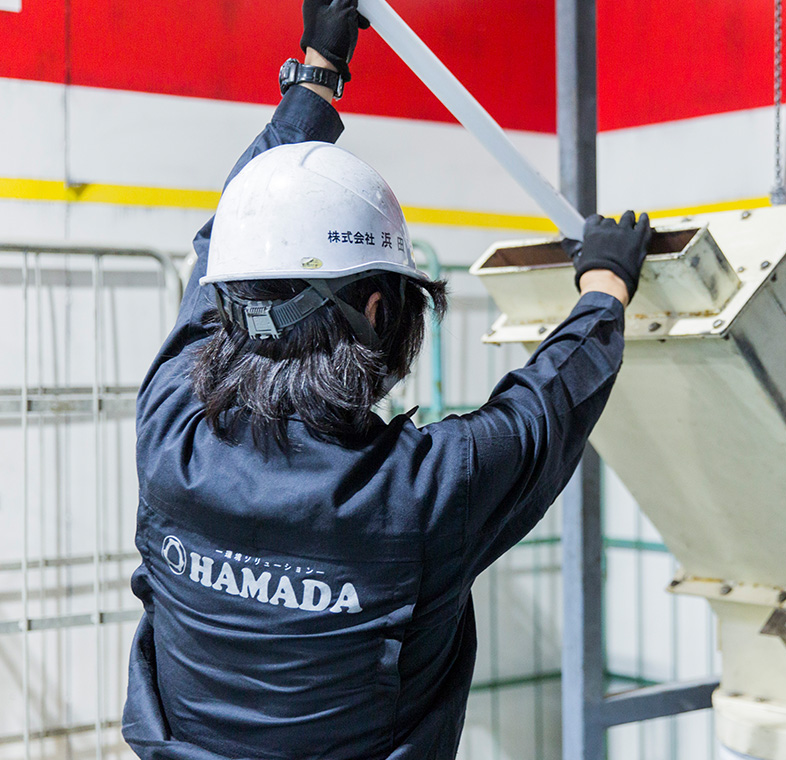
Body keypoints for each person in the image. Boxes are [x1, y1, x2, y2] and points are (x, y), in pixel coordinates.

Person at [121, 1, 652, 758]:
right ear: (377, 309)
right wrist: (605, 286)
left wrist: (315, 73)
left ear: (229, 299)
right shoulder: (423, 495)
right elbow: (546, 409)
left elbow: (225, 248)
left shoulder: (169, 429)